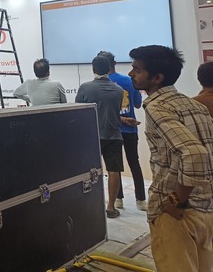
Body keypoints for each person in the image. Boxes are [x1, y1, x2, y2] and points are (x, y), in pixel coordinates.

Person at [128, 45, 213, 271]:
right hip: (205, 209)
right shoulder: (194, 105)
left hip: (176, 215)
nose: (131, 73)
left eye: (137, 70)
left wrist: (177, 200)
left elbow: (195, 153)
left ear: (157, 78)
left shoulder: (158, 107)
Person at [97, 51, 147, 211]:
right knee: (134, 163)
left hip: (111, 130)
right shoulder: (128, 80)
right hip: (130, 129)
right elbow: (138, 104)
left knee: (114, 166)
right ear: (114, 63)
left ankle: (118, 199)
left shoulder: (97, 85)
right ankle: (141, 200)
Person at [76, 55, 124, 219]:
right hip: (114, 135)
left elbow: (78, 111)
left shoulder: (85, 88)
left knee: (88, 173)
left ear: (93, 68)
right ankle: (111, 207)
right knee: (114, 171)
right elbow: (116, 111)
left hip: (91, 136)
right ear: (109, 68)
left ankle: (90, 205)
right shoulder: (119, 90)